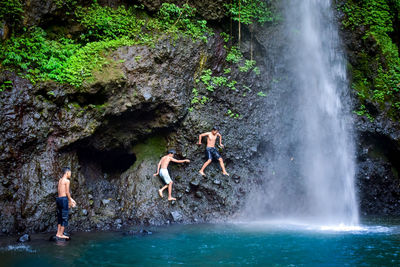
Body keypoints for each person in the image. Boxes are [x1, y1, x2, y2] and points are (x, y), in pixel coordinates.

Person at [56, 167, 76, 240]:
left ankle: (58, 233)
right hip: (64, 199)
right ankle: (61, 234)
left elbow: (61, 191)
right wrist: (70, 201)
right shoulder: (67, 181)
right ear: (67, 173)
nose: (70, 175)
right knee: (65, 217)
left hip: (58, 199)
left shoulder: (60, 180)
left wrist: (71, 199)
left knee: (59, 216)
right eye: (70, 173)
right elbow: (67, 192)